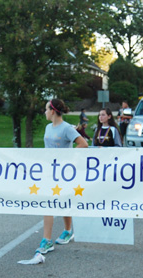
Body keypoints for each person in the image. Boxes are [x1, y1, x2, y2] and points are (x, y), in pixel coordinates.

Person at [36, 99, 88, 255]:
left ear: (52, 111)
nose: (44, 112)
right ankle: (51, 237)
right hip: (49, 170)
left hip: (63, 172)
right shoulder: (47, 127)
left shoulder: (66, 128)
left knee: (62, 202)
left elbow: (83, 144)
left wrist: (67, 159)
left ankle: (62, 232)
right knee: (49, 202)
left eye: (46, 109)